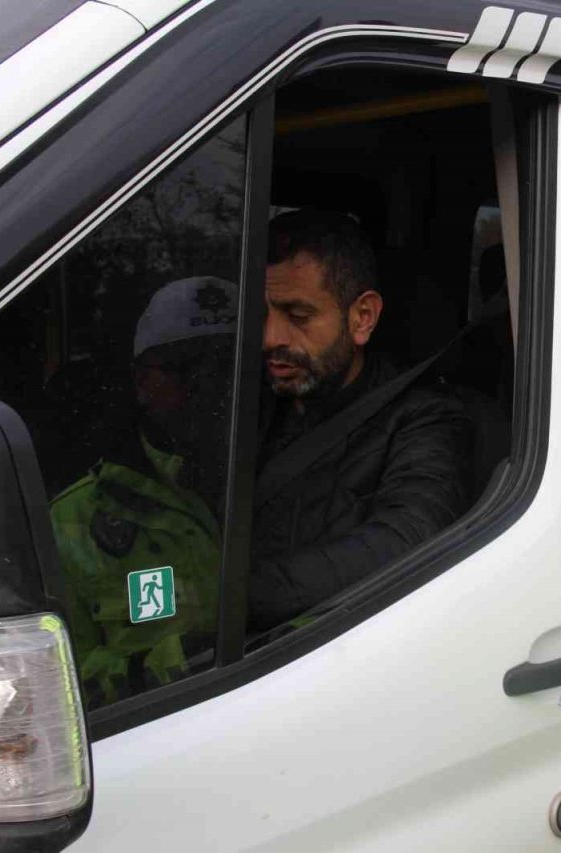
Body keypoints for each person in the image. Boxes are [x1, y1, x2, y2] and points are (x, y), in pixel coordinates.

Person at [247, 210, 472, 631]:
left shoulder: (424, 418)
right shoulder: (248, 402)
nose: (270, 338)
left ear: (362, 317)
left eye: (298, 316)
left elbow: (406, 539)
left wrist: (227, 596)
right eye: (261, 314)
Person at [51, 277, 236, 706]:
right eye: (186, 367)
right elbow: (62, 684)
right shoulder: (74, 520)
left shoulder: (284, 476)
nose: (211, 385)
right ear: (141, 382)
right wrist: (176, 661)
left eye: (228, 365)